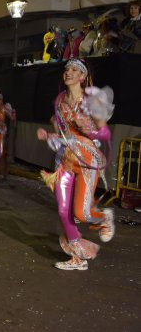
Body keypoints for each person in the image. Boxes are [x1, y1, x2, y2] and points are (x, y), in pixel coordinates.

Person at [36, 58, 115, 271]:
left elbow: (105, 132)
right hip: (66, 160)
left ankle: (103, 218)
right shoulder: (61, 100)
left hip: (87, 161)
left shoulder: (92, 100)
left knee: (81, 214)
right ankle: (77, 258)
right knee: (63, 211)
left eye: (74, 70)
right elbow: (64, 133)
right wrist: (49, 135)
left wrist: (89, 131)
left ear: (82, 77)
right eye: (66, 69)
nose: (68, 72)